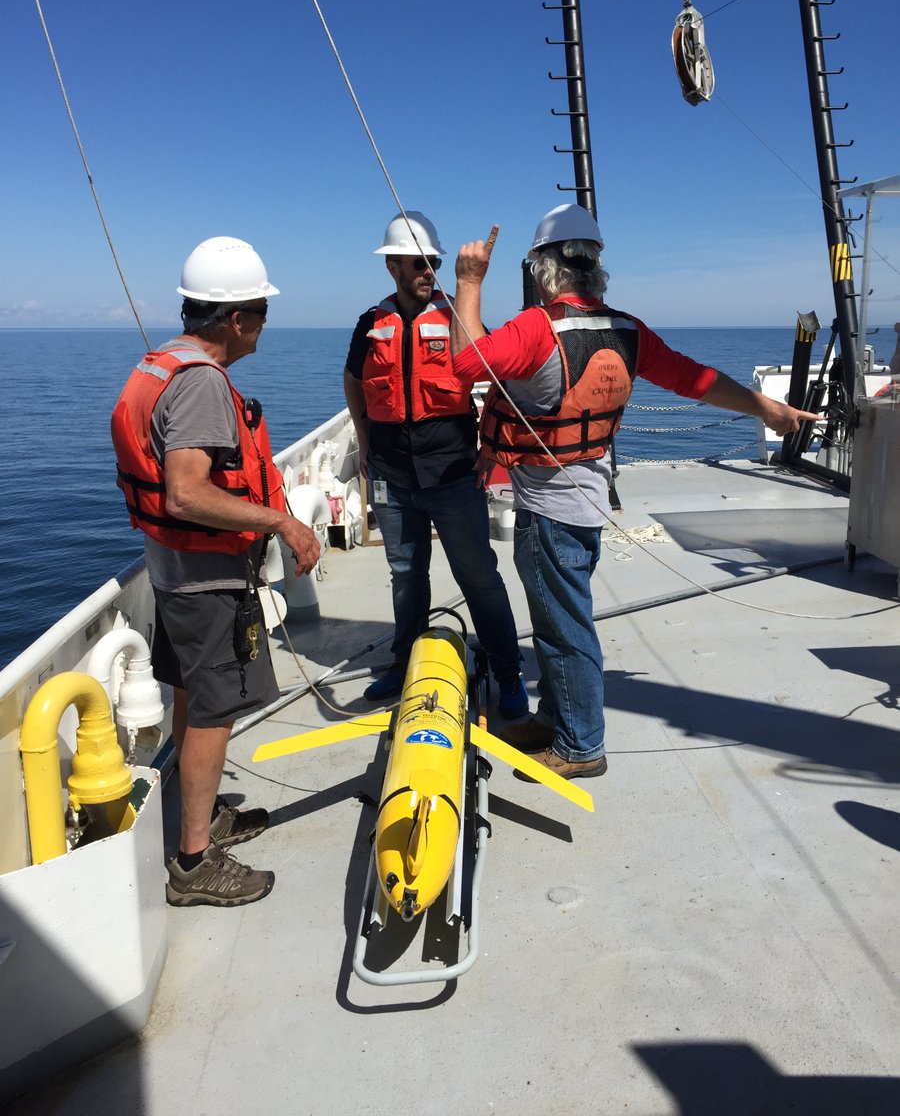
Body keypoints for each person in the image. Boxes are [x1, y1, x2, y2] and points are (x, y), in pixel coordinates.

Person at [450, 204, 819, 780]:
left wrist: (469, 282)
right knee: (559, 621)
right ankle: (557, 717)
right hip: (589, 498)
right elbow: (696, 379)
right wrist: (764, 405)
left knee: (565, 628)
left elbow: (465, 363)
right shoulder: (627, 330)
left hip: (549, 511)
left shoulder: (534, 328)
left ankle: (580, 747)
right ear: (595, 267)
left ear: (542, 270)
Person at [111, 236, 320, 906]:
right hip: (205, 582)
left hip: (175, 572)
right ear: (236, 319)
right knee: (214, 712)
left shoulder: (161, 365)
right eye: (260, 310)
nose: (263, 323)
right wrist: (280, 522)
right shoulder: (201, 384)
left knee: (194, 698)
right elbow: (187, 493)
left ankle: (201, 819)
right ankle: (195, 862)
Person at [343, 210, 527, 716]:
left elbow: (498, 383)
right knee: (406, 575)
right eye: (419, 263)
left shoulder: (456, 318)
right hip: (392, 475)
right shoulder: (369, 324)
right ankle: (404, 665)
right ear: (393, 268)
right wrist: (364, 441)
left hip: (452, 473)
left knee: (478, 575)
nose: (429, 271)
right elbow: (354, 379)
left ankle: (509, 673)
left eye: (435, 262)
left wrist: (490, 450)